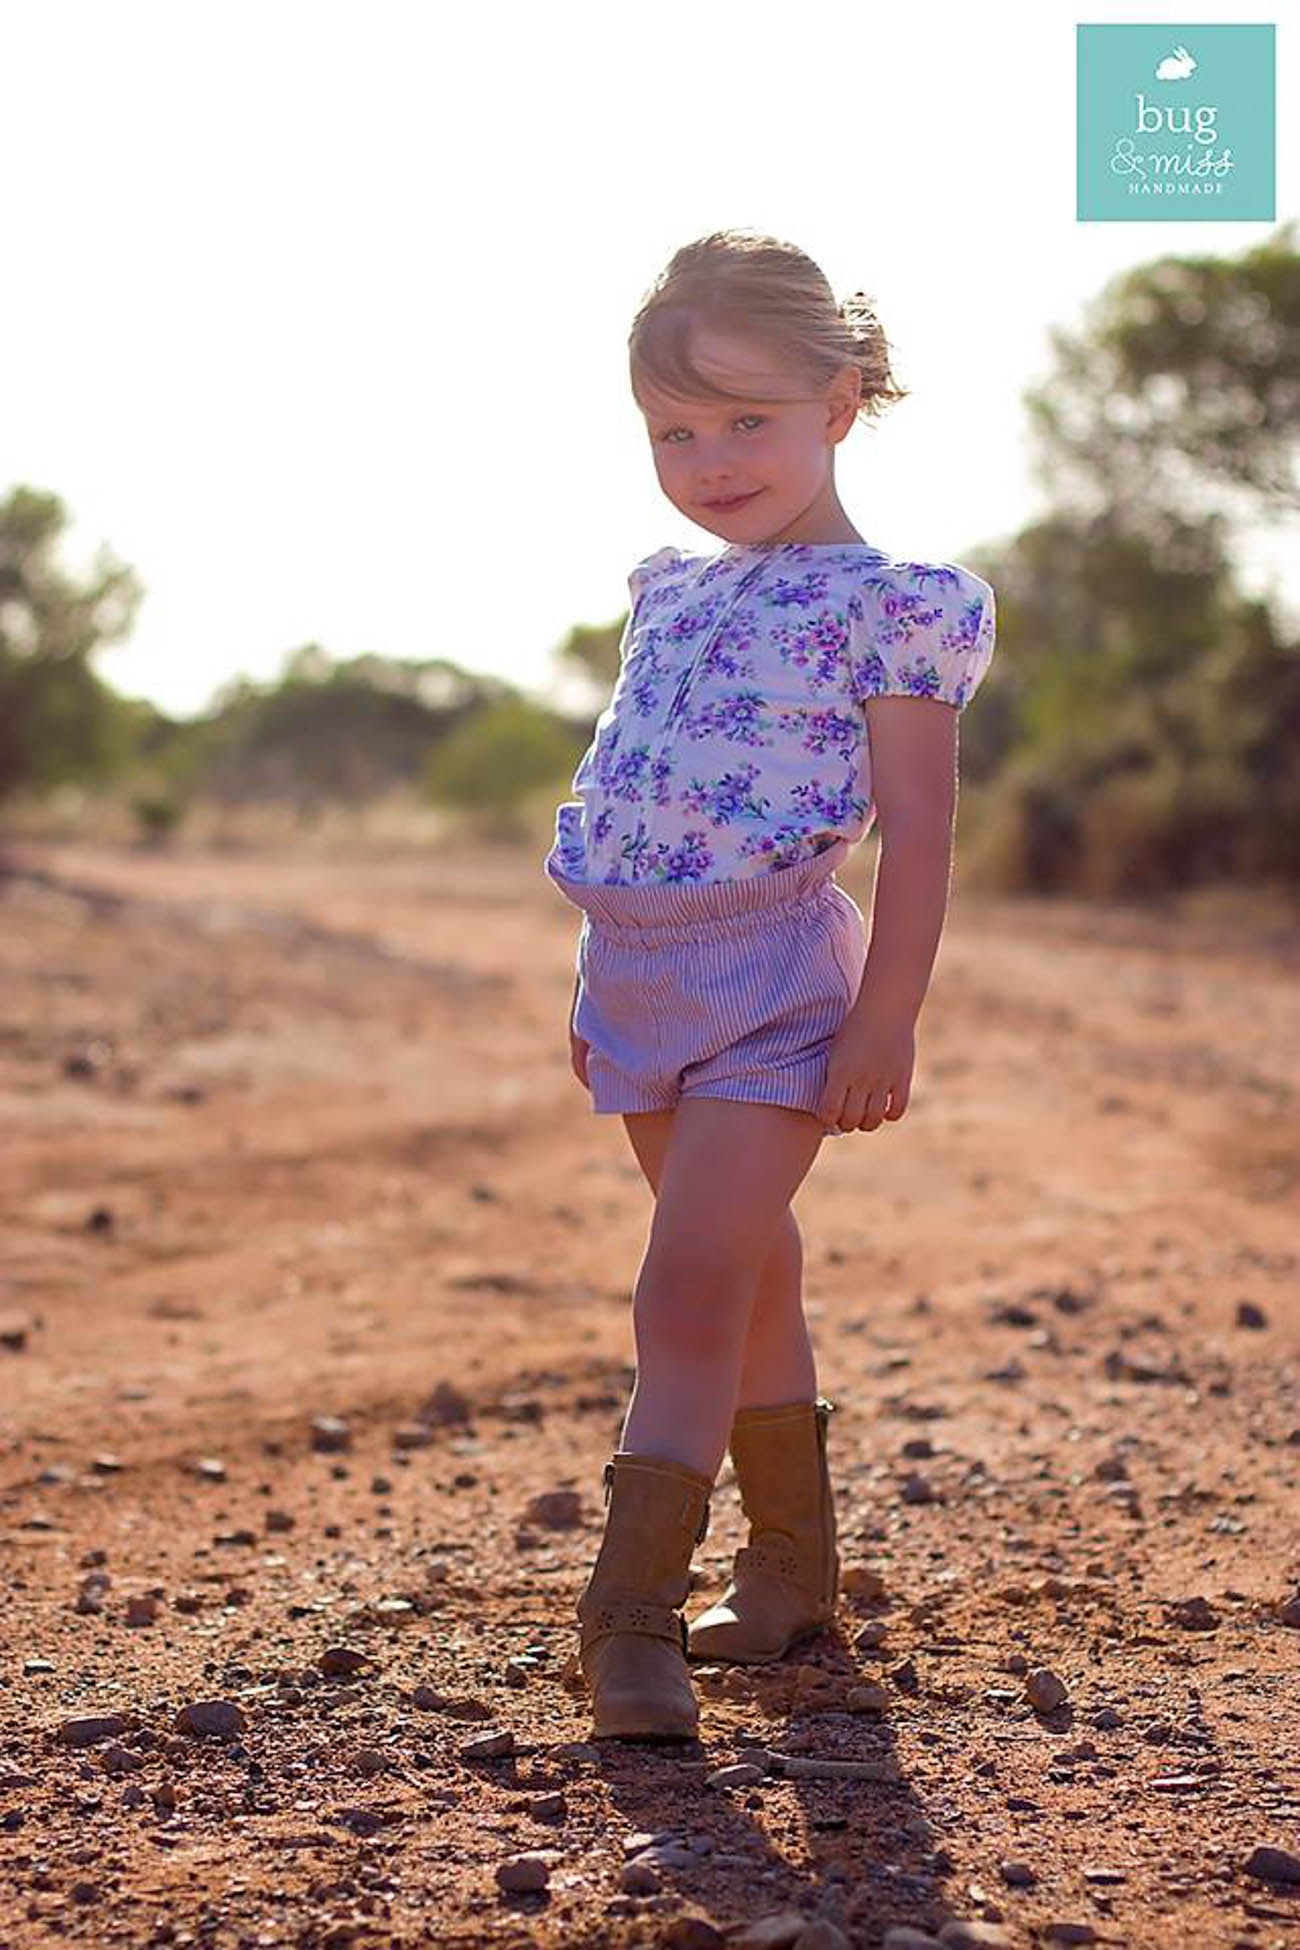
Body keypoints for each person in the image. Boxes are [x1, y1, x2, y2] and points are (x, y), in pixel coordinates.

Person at [542, 229, 997, 1743]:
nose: (711, 461)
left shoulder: (895, 602)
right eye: (675, 431)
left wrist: (887, 1015)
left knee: (684, 1284)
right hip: (636, 975)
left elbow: (919, 828)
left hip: (777, 982)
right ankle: (794, 1571)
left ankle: (628, 1620)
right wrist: (602, 975)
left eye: (748, 419)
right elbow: (643, 789)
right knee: (749, 1276)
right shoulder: (668, 592)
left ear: (840, 402)